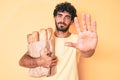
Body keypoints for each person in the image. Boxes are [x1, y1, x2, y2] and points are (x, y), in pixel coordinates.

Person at [19, 2, 98, 80]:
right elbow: (22, 61)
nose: (62, 20)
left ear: (71, 22)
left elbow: (87, 54)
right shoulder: (45, 38)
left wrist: (89, 50)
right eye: (60, 15)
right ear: (54, 17)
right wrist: (40, 61)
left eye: (67, 17)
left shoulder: (78, 40)